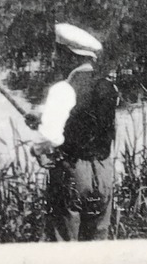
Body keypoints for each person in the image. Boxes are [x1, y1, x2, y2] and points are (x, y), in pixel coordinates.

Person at [24, 22, 119, 241]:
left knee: (65, 250)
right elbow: (87, 118)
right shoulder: (109, 87)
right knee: (97, 249)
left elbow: (49, 137)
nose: (57, 60)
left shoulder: (62, 89)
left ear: (71, 56)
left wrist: (36, 149)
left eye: (60, 54)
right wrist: (43, 117)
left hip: (73, 172)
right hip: (104, 172)